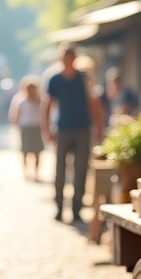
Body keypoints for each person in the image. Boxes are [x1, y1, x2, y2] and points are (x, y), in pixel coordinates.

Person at [43, 45, 104, 222]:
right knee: (60, 169)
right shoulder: (55, 79)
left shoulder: (84, 78)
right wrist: (46, 128)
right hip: (63, 128)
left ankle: (77, 207)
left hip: (82, 128)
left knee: (81, 169)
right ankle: (59, 206)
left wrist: (98, 125)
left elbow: (93, 102)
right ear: (61, 59)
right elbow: (47, 105)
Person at [9, 76, 44, 180]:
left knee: (37, 151)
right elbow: (16, 115)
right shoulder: (21, 101)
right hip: (26, 127)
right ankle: (26, 172)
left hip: (37, 127)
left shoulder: (40, 101)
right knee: (25, 150)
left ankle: (36, 172)